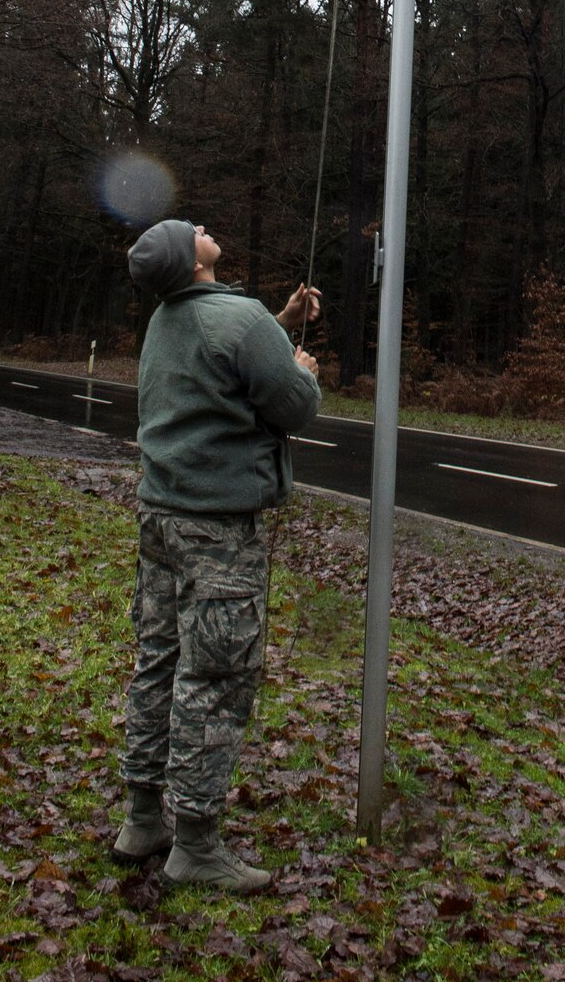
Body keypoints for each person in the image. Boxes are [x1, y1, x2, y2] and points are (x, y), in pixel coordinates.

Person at [110, 217, 322, 893]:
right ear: (189, 260)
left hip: (161, 518)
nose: (202, 227)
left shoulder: (168, 320)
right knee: (217, 679)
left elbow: (222, 359)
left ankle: (143, 819)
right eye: (190, 229)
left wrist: (279, 324)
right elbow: (293, 407)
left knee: (159, 663)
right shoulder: (238, 317)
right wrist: (300, 368)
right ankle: (196, 845)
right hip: (217, 532)